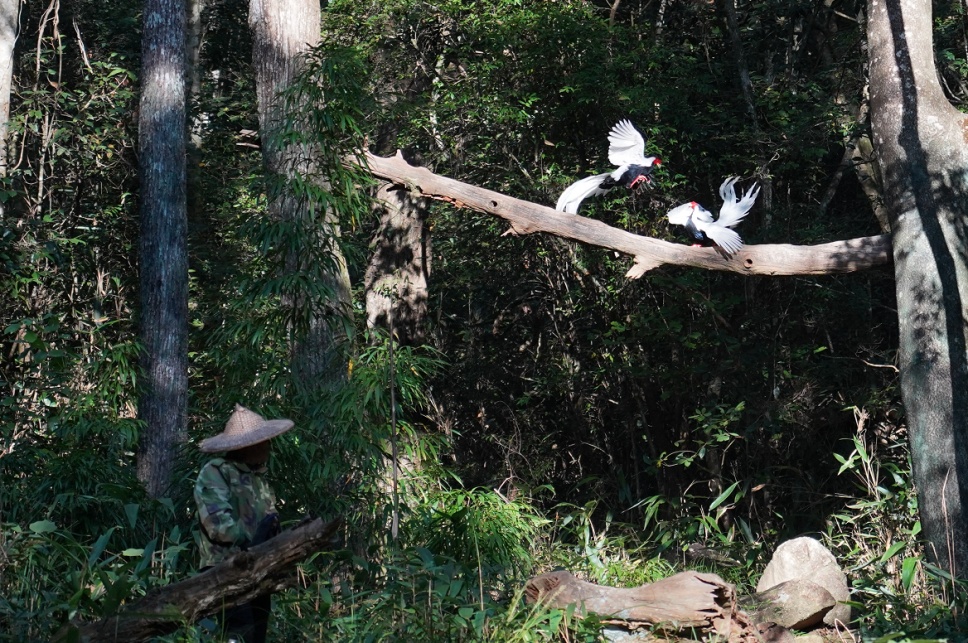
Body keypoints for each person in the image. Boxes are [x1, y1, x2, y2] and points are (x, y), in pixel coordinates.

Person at [194, 403, 294, 643]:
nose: (269, 446)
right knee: (238, 633)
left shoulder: (257, 478)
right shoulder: (216, 472)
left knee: (257, 633)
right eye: (264, 441)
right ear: (247, 446)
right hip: (225, 568)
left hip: (259, 567)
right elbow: (217, 525)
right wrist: (253, 542)